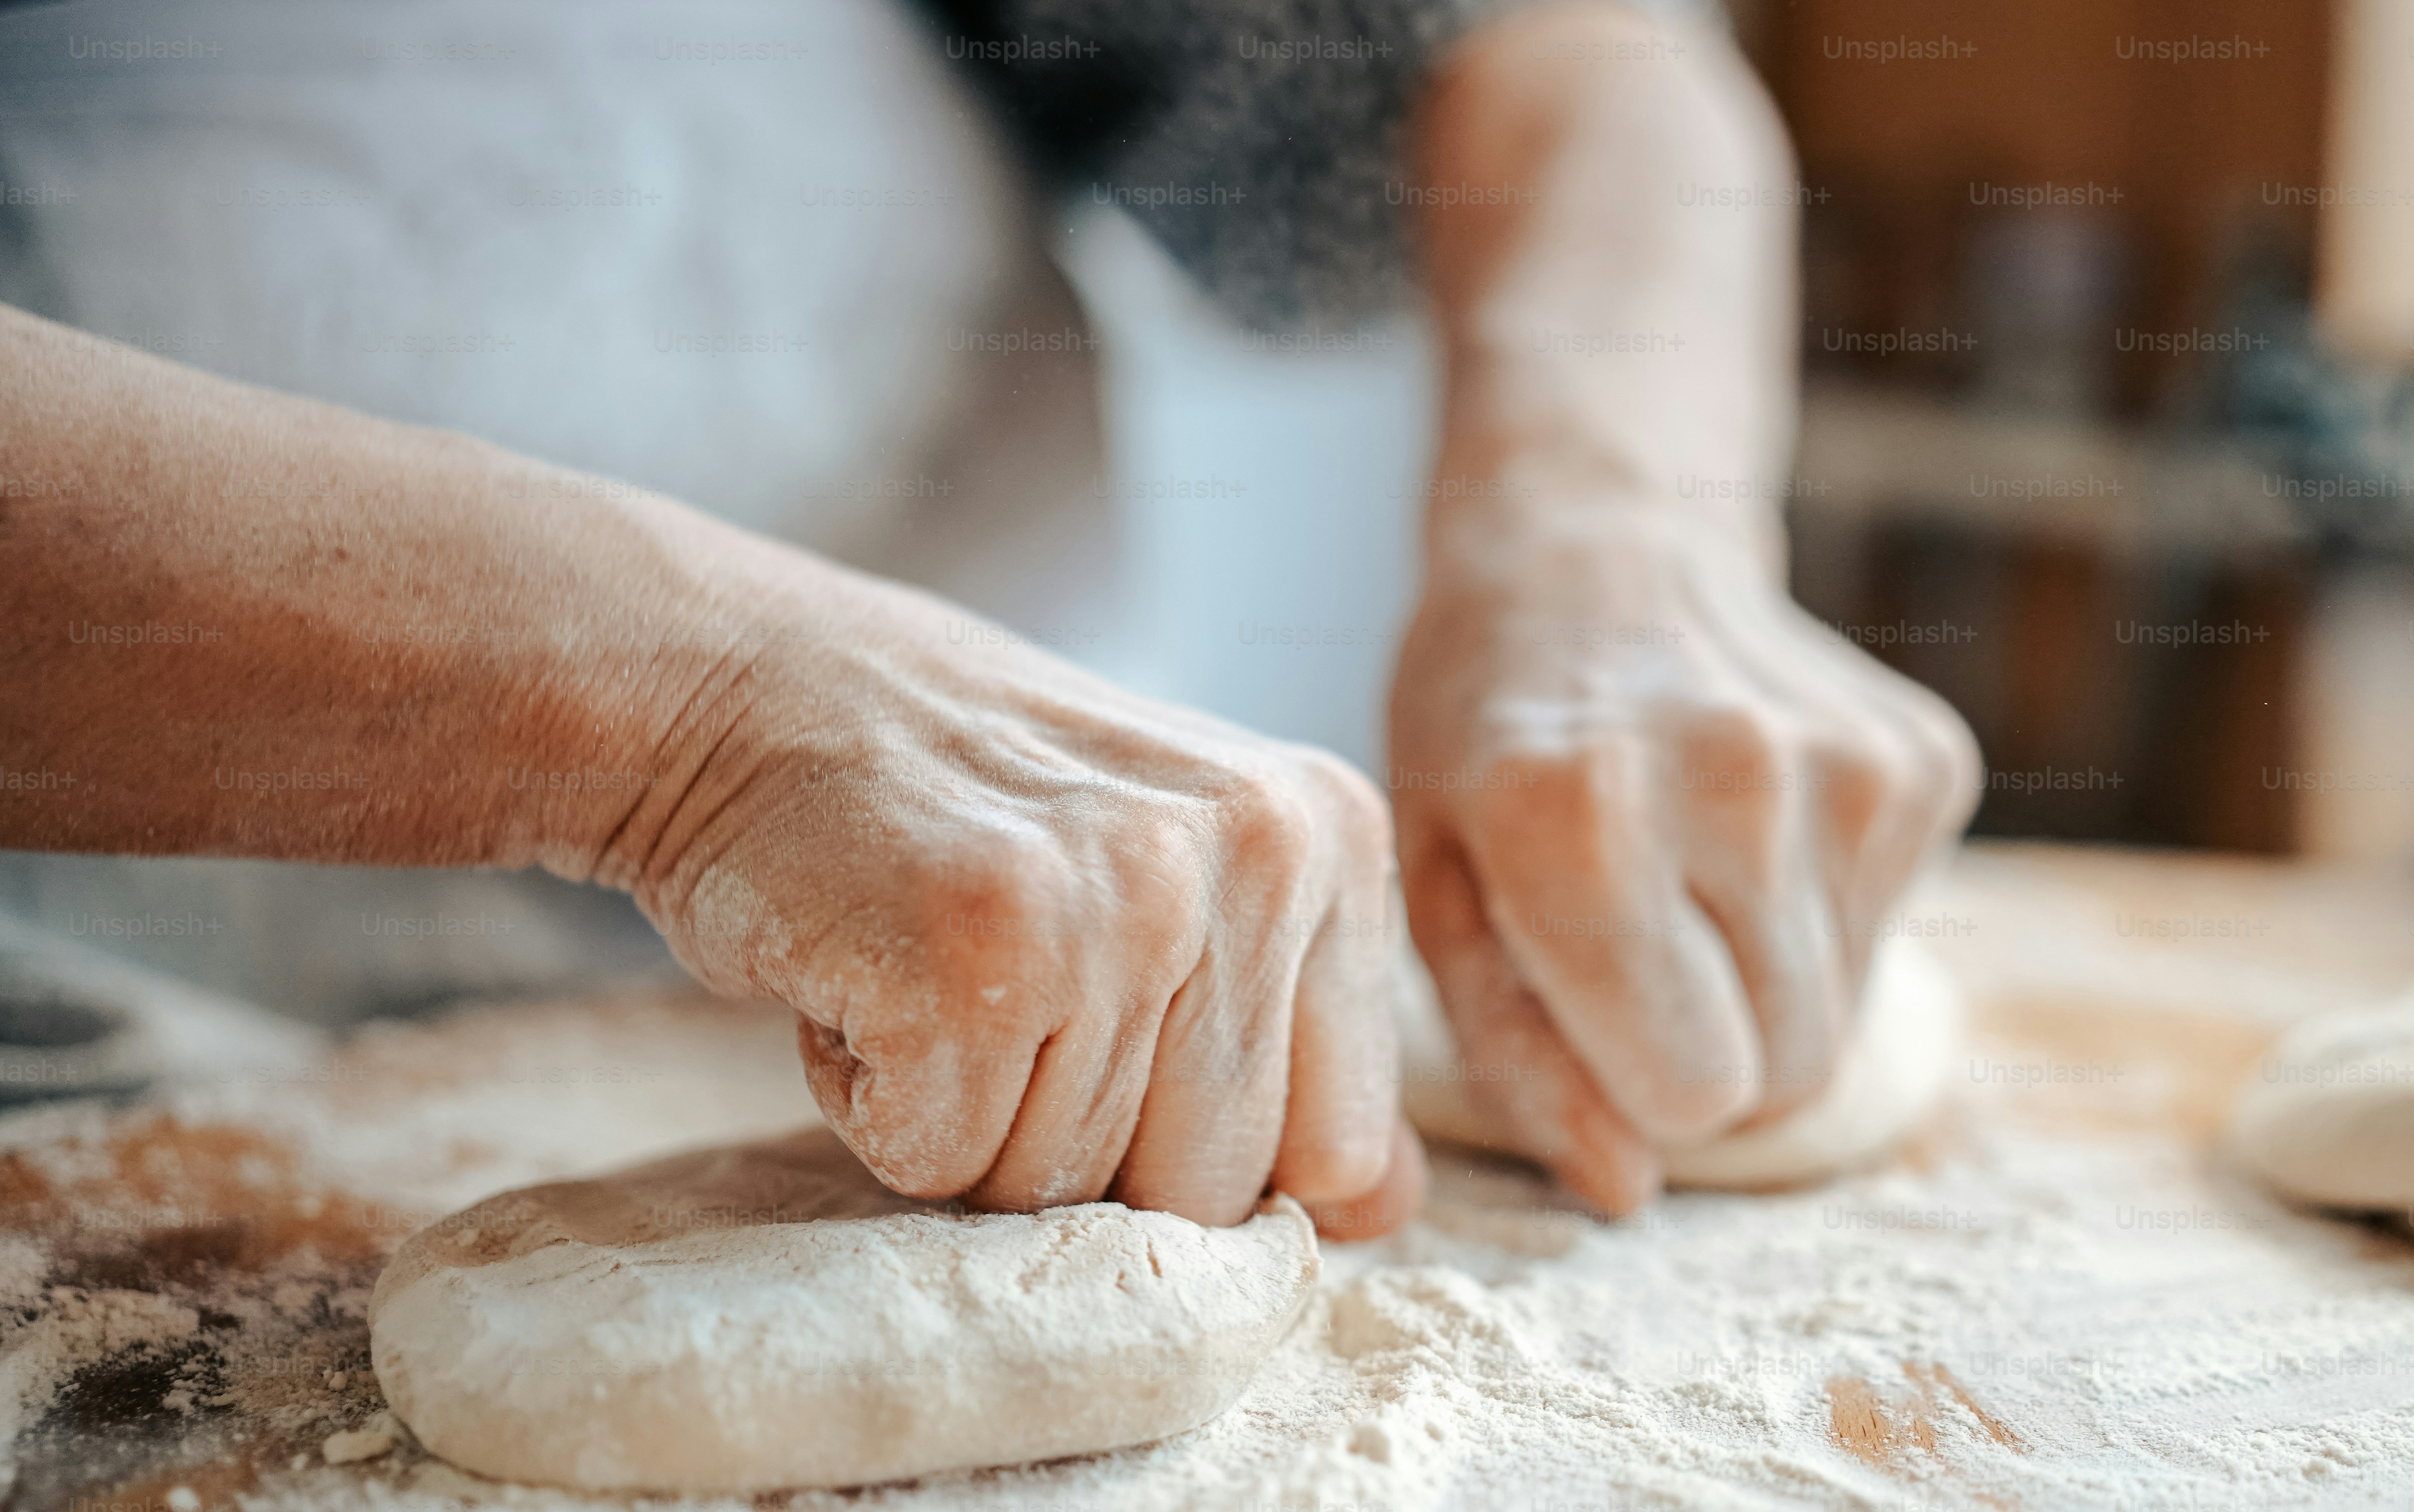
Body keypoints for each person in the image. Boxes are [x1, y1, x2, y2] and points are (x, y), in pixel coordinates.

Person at [0, 0, 1977, 1238]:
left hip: (1043, 1031)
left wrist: (1611, 534)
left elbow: (1558, 57)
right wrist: (681, 724)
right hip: (73, 1097)